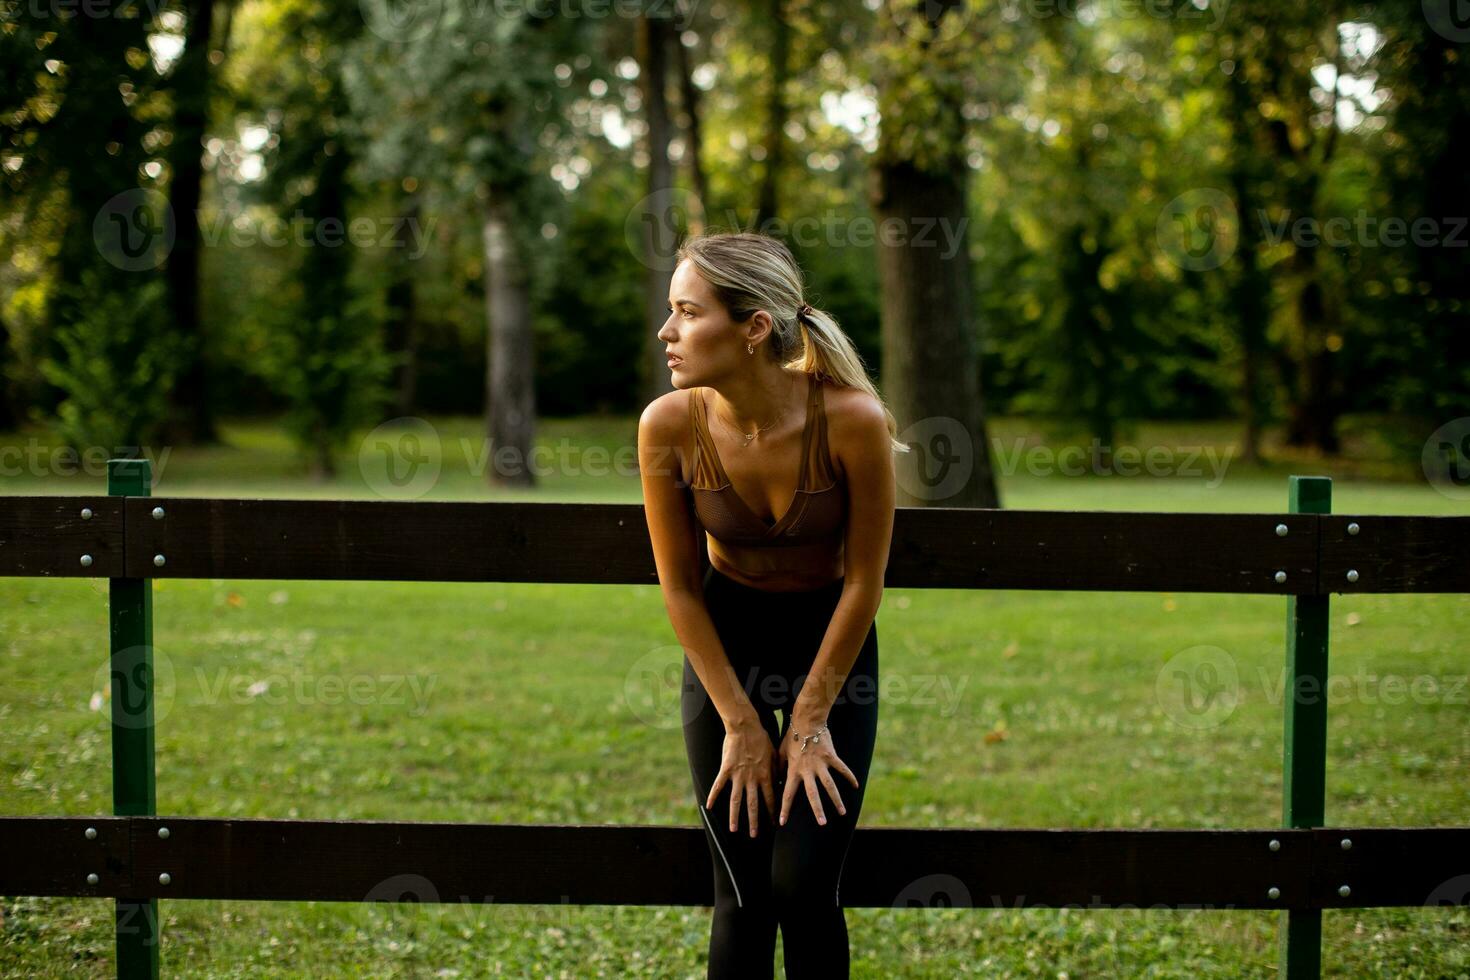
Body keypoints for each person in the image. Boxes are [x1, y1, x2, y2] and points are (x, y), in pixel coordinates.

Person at [637, 231, 906, 978]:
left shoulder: (853, 420)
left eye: (687, 313)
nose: (667, 332)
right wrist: (741, 724)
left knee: (804, 886)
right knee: (744, 896)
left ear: (754, 327)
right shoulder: (668, 425)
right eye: (671, 312)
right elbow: (682, 590)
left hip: (834, 648)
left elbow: (864, 581)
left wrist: (812, 719)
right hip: (728, 650)